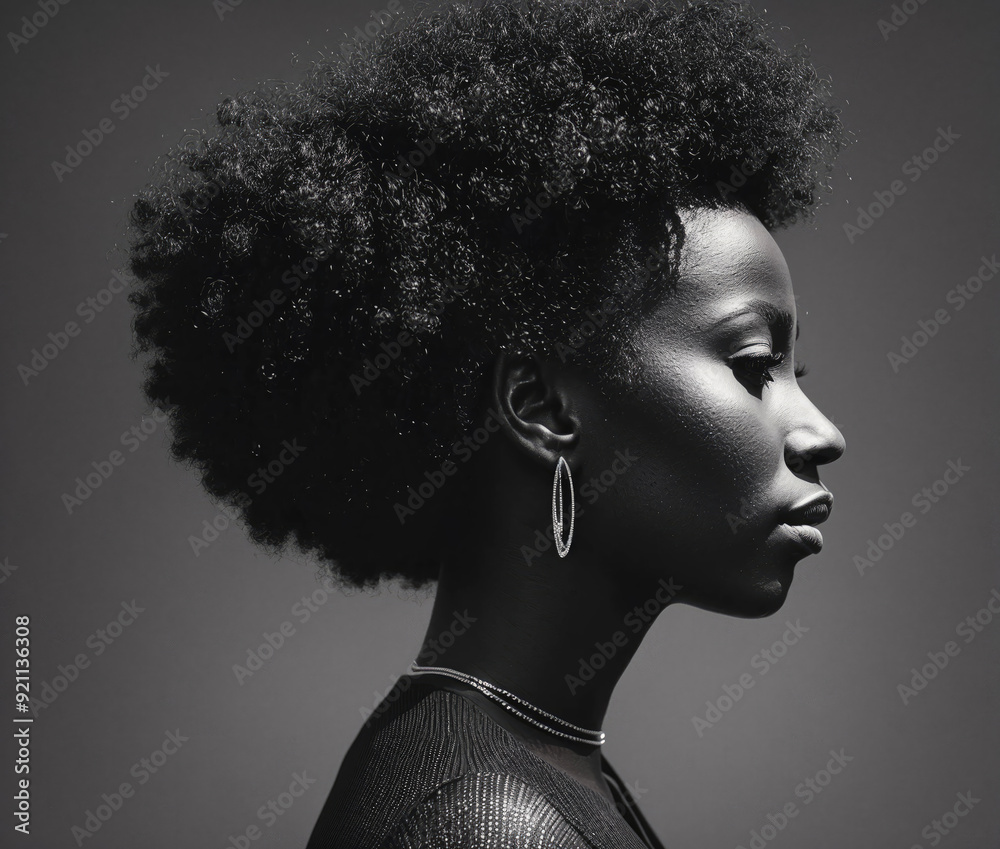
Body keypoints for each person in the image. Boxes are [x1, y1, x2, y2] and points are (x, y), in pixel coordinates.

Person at [126, 0, 847, 845]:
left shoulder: (538, 762)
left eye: (794, 375)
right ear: (540, 409)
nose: (819, 431)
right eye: (755, 367)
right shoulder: (486, 819)